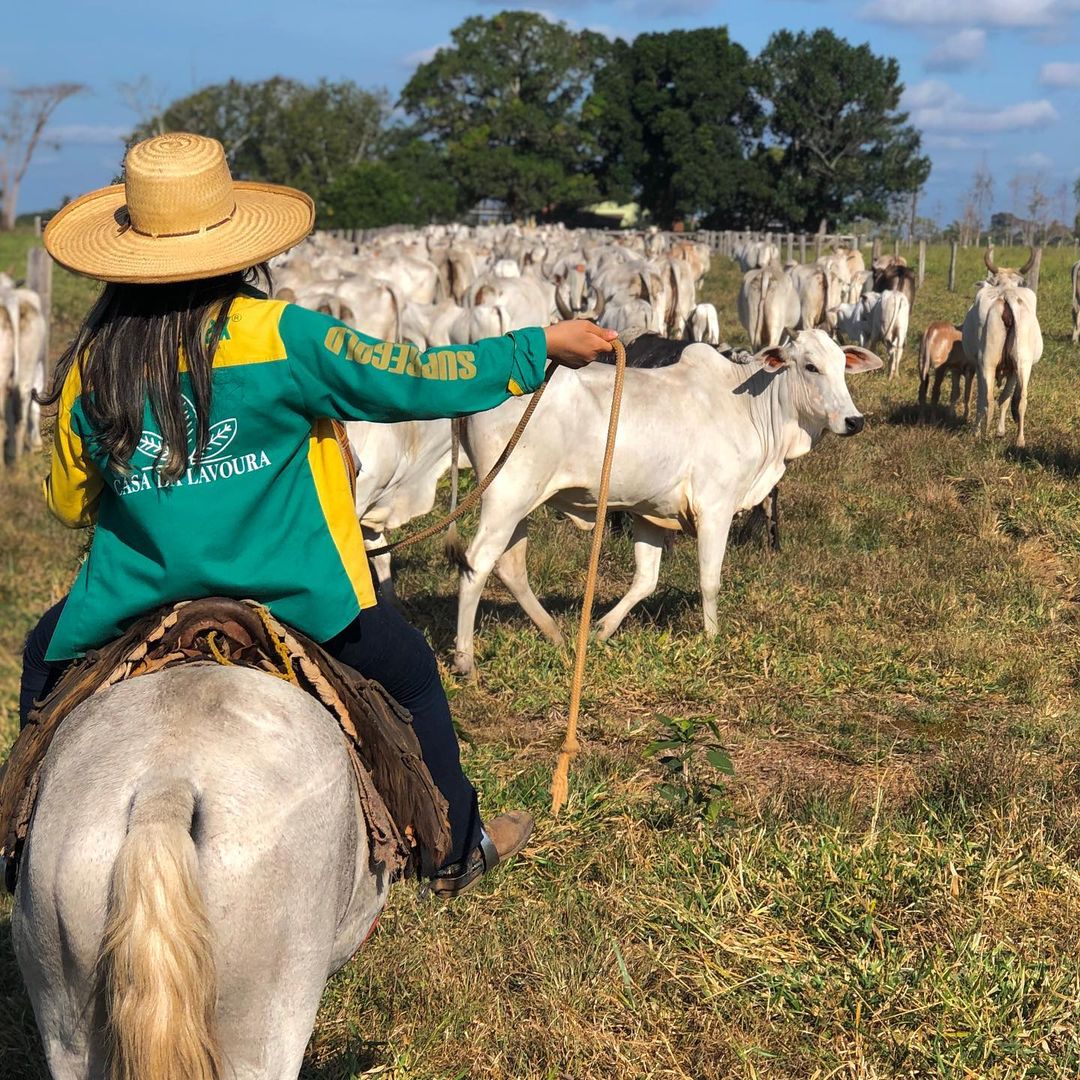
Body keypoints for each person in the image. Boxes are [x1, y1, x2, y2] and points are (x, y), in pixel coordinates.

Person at [22, 132, 616, 897]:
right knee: (412, 673)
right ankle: (456, 847)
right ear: (236, 240)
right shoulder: (285, 334)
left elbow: (70, 503)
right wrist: (538, 347)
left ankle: (21, 846)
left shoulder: (97, 361)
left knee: (43, 657)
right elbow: (417, 378)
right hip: (298, 600)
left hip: (132, 604)